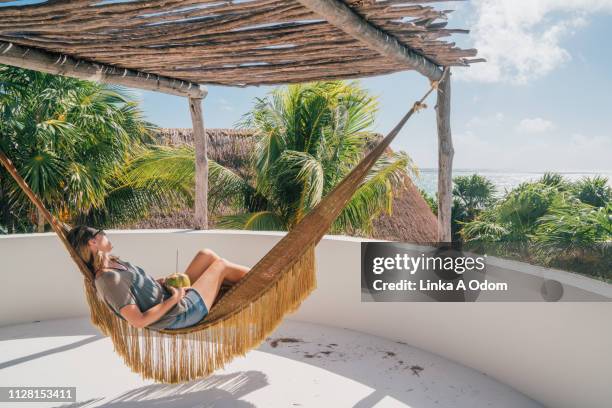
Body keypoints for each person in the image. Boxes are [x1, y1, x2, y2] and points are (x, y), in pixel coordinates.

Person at [66, 225, 250, 330]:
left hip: (170, 295)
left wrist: (160, 282)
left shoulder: (112, 262)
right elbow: (138, 321)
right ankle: (260, 280)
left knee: (206, 255)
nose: (106, 235)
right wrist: (176, 298)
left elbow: (139, 289)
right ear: (92, 242)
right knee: (222, 266)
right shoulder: (108, 280)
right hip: (180, 311)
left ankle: (228, 291)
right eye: (101, 233)